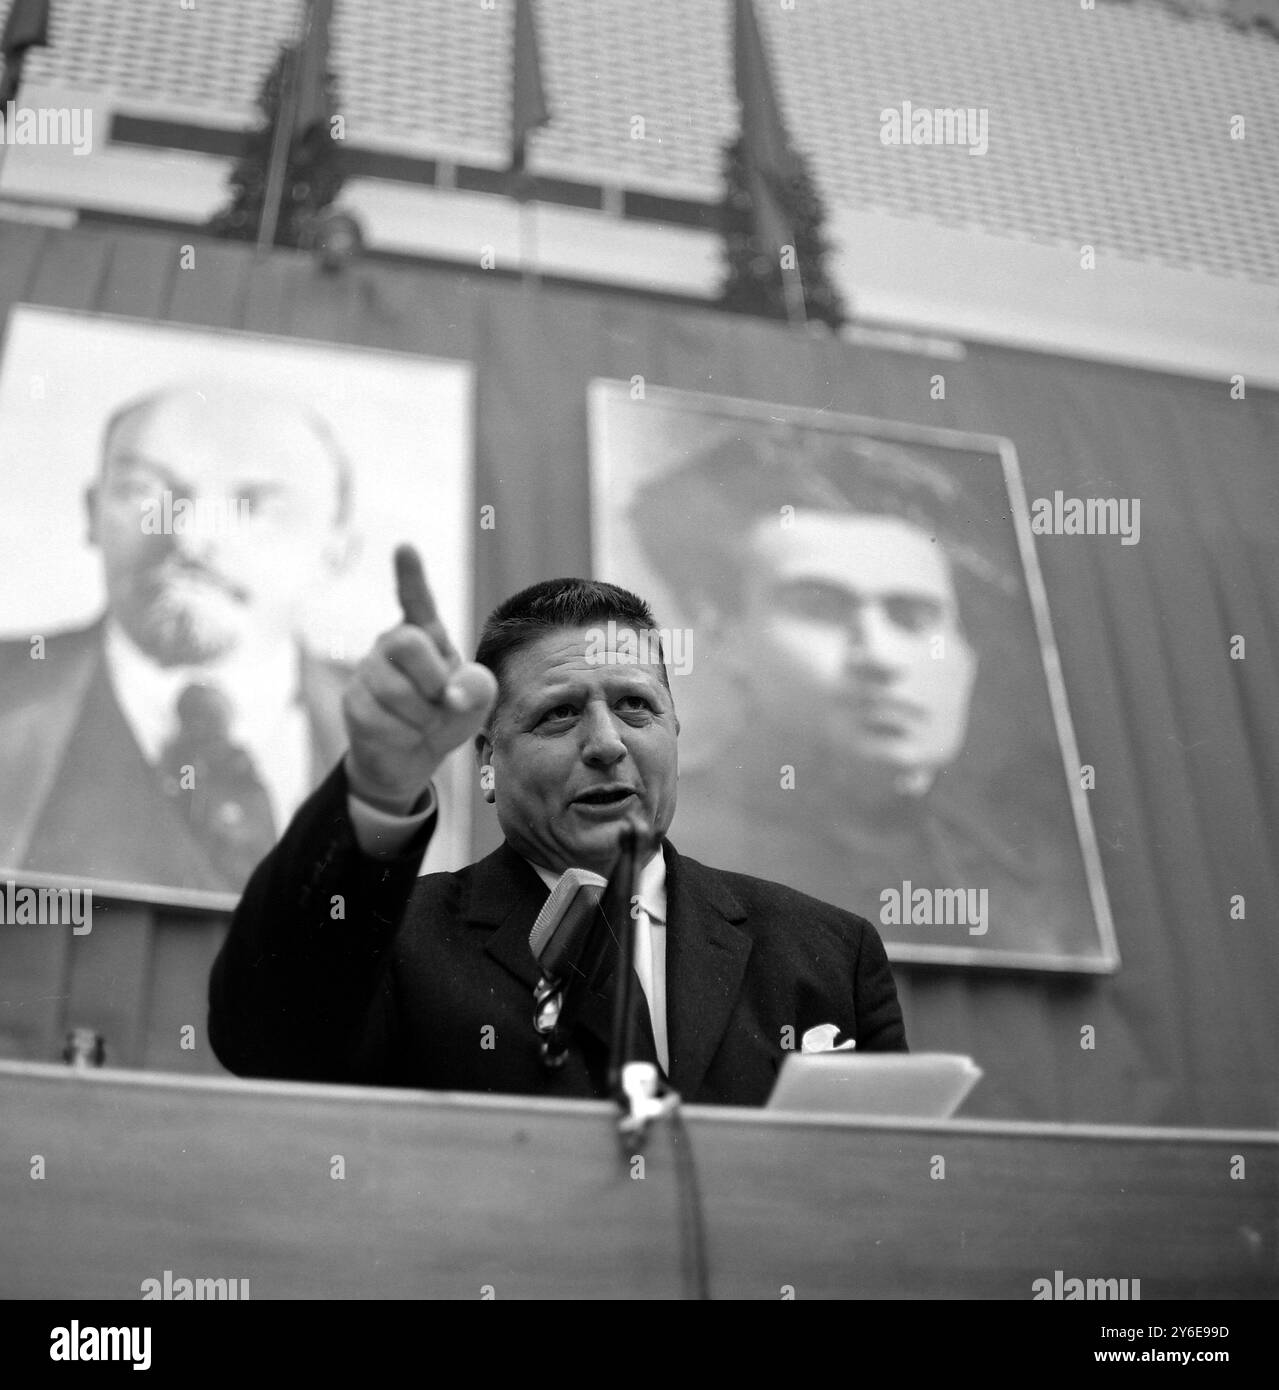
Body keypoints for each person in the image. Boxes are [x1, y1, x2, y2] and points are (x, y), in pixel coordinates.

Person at [208, 547, 907, 1104]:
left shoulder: (826, 957)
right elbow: (265, 1042)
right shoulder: (402, 945)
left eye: (635, 706)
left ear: (675, 732)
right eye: (558, 714)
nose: (606, 743)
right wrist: (378, 788)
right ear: (486, 762)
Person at [628, 428, 1096, 960]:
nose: (879, 656)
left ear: (967, 653)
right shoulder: (666, 847)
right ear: (721, 632)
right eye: (821, 608)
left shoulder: (1027, 876)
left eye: (913, 616)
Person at [0, 382, 359, 896]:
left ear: (337, 552)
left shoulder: (438, 743)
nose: (189, 536)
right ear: (91, 513)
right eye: (144, 491)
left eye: (254, 504)